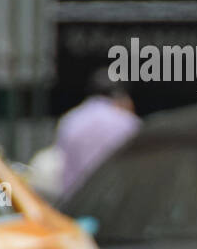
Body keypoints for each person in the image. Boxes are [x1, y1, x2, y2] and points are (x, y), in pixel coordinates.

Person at [54, 68, 141, 198]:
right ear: (120, 95)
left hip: (74, 203)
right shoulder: (126, 122)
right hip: (113, 202)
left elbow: (60, 159)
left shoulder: (70, 120)